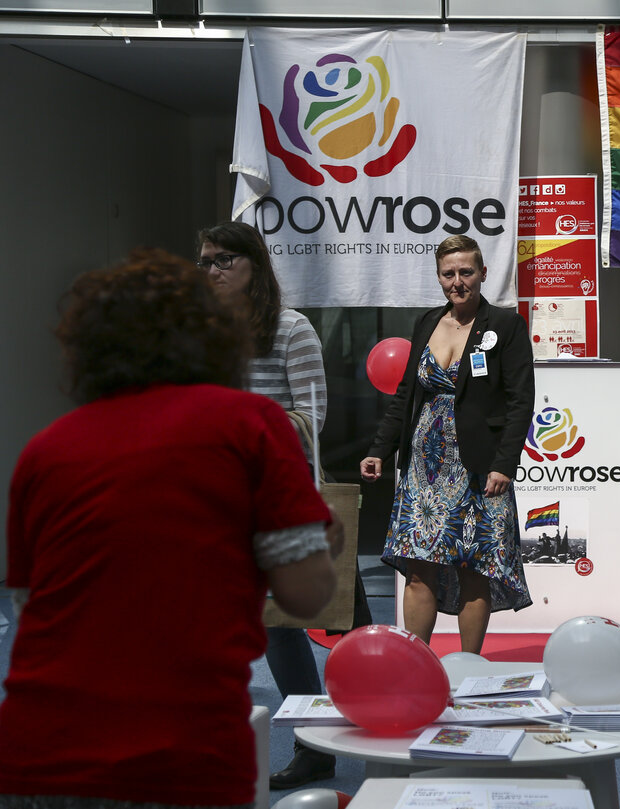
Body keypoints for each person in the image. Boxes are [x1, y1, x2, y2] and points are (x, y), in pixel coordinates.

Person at [0, 250, 341, 808]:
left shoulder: (46, 449)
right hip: (180, 755)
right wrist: (324, 542)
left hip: (33, 753)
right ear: (210, 336)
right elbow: (305, 595)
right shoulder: (251, 426)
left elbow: (30, 606)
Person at [197, 221, 365, 789]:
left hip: (276, 492)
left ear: (254, 266)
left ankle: (312, 744)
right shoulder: (206, 332)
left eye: (223, 259)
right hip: (219, 493)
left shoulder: (291, 329)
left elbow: (311, 422)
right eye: (205, 262)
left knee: (282, 628)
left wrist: (238, 426)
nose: (212, 270)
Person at [360, 234, 534, 654]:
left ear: (483, 274)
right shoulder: (426, 322)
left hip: (478, 465)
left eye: (466, 272)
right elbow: (406, 394)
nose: (458, 281)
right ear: (439, 277)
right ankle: (414, 662)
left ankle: (468, 668)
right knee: (419, 568)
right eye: (448, 273)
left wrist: (503, 465)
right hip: (425, 465)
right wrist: (379, 449)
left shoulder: (505, 325)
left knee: (474, 566)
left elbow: (520, 400)